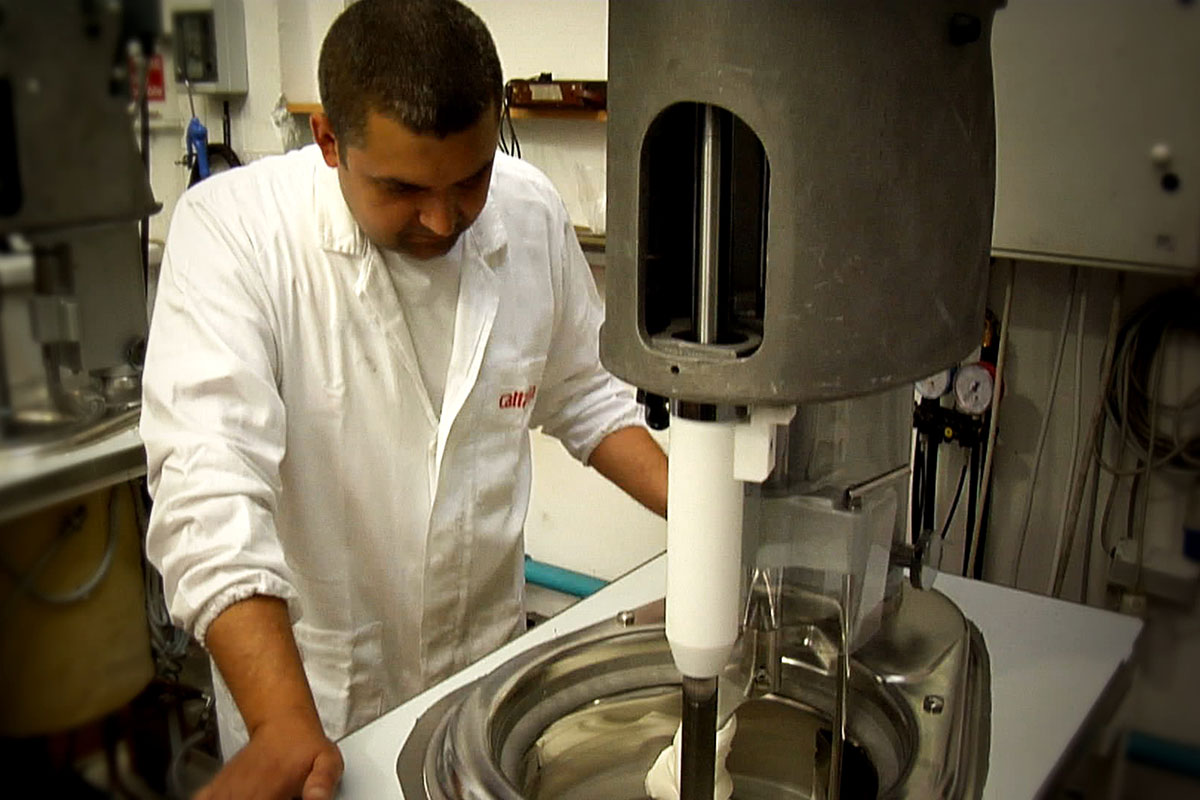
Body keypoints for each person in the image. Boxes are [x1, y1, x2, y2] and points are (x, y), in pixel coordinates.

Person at [140, 1, 668, 797]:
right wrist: (281, 720)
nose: (443, 218)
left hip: (481, 688)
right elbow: (208, 491)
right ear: (328, 141)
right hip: (315, 712)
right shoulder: (235, 234)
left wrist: (710, 523)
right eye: (403, 188)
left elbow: (586, 394)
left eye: (471, 178)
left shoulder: (527, 211)